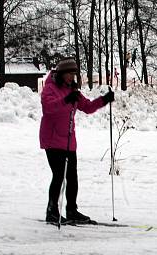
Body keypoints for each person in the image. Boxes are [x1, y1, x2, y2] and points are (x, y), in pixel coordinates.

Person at [39, 57, 114, 224]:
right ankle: (52, 211)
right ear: (62, 73)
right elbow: (49, 109)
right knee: (58, 175)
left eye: (74, 74)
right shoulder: (50, 88)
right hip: (52, 139)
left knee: (72, 176)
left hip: (68, 140)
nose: (72, 77)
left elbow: (87, 107)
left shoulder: (72, 90)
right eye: (69, 74)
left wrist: (104, 100)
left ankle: (72, 210)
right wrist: (65, 100)